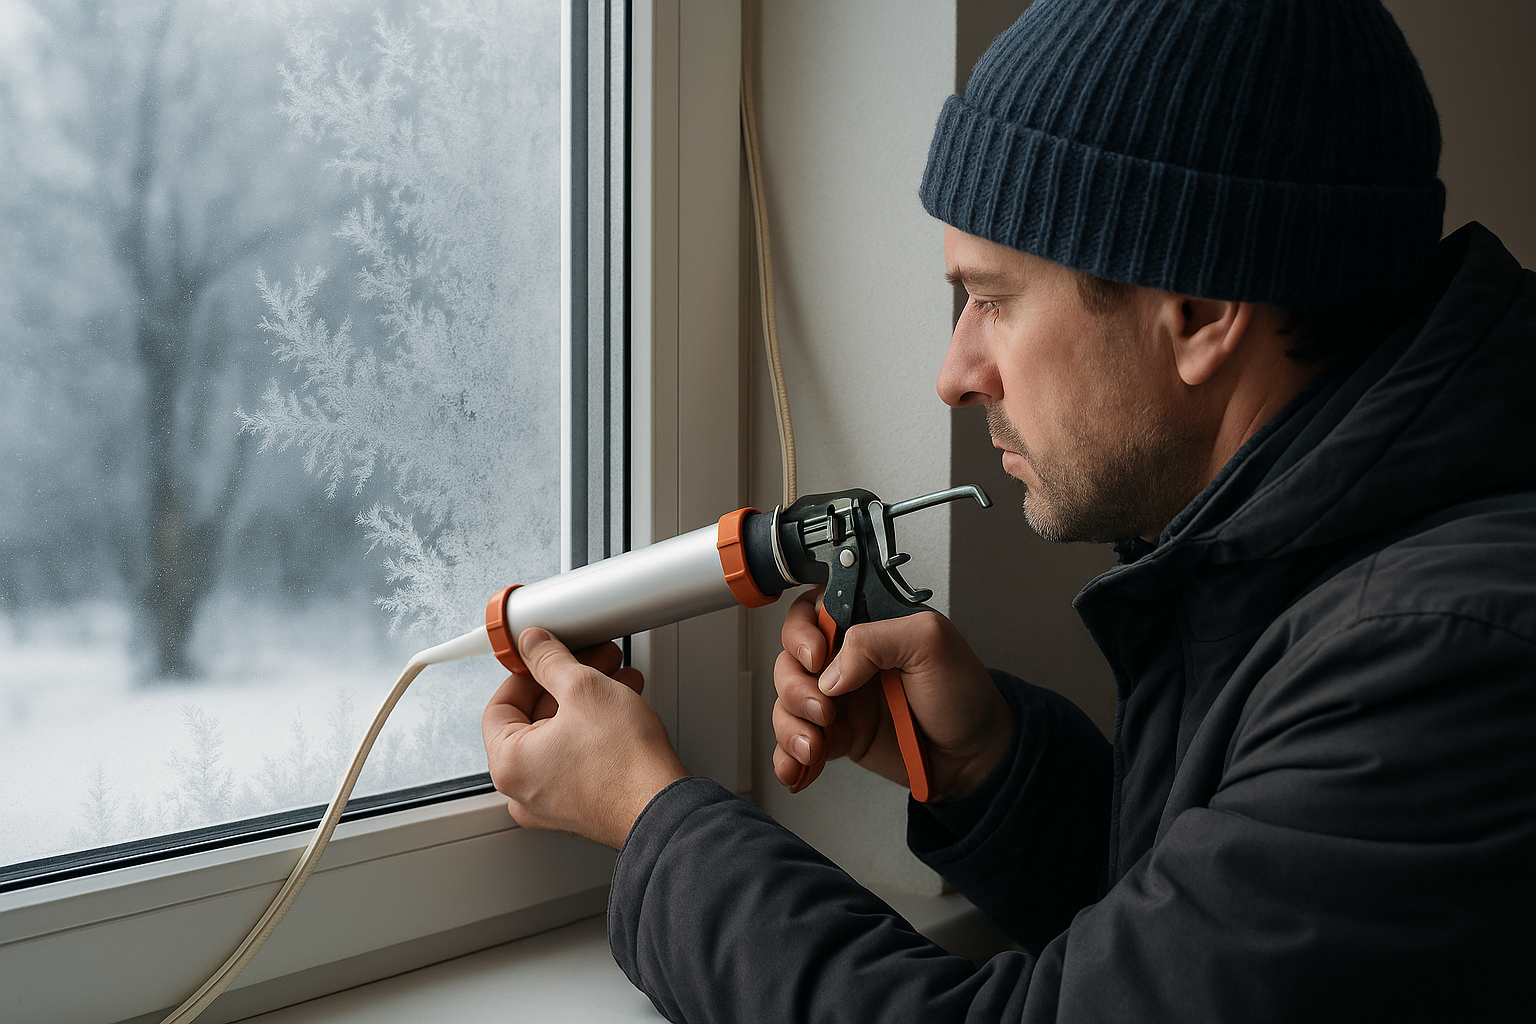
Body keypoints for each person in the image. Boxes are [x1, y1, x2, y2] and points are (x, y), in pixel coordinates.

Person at [481, 0, 1536, 1019]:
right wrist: (991, 765)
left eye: (992, 300)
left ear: (1203, 311)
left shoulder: (1447, 657)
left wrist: (651, 819)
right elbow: (1211, 949)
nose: (954, 373)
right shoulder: (1317, 564)